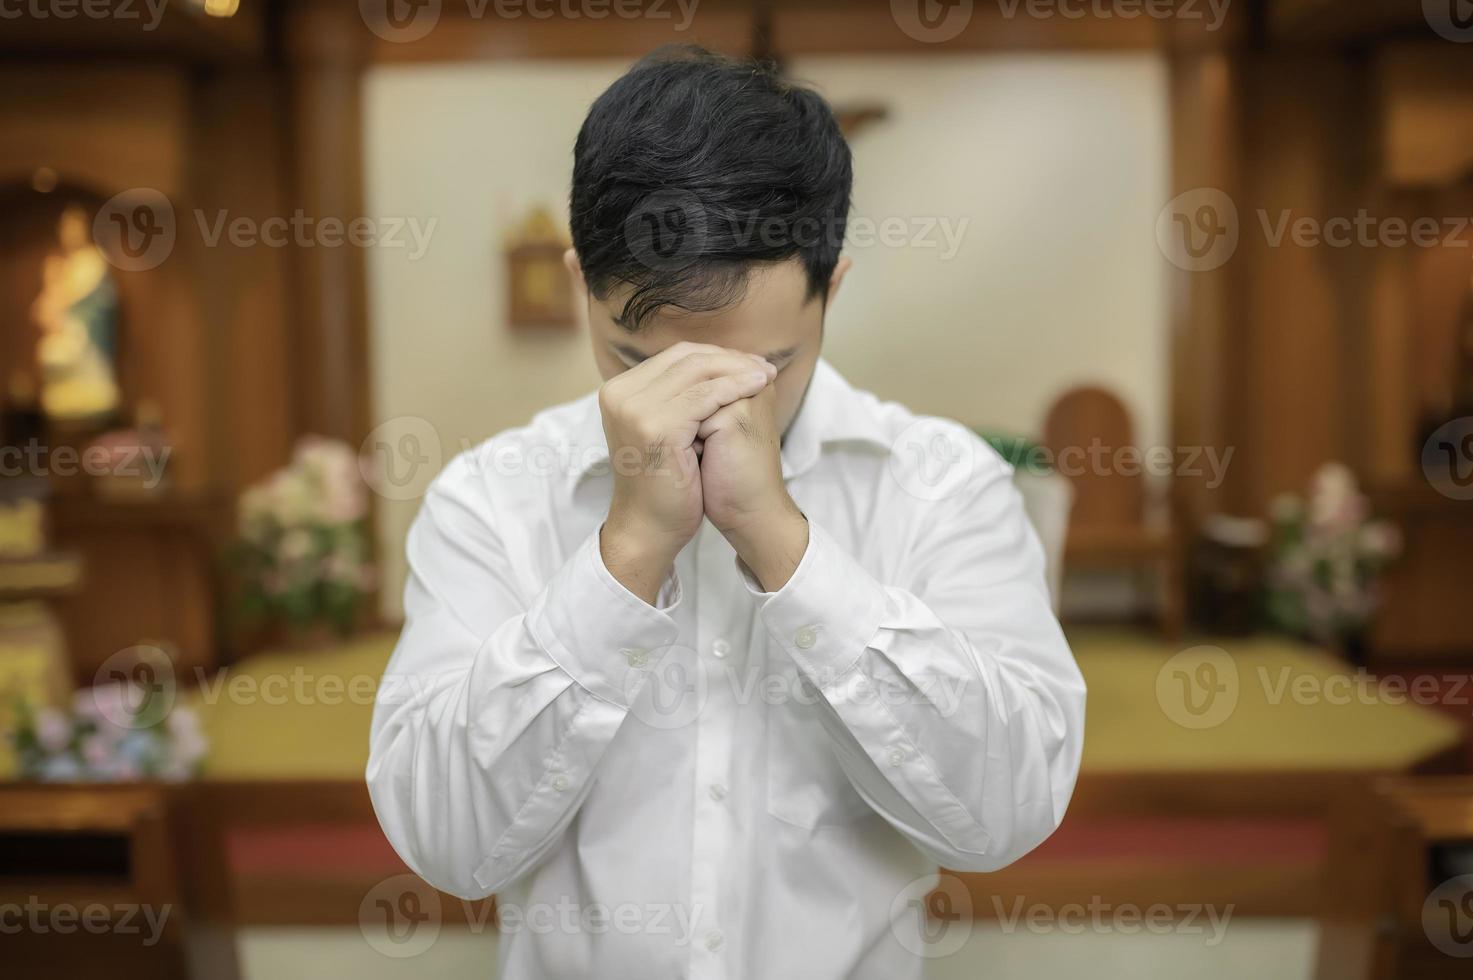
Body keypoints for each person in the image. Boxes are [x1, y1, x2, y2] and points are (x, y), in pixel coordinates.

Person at [368, 45, 1085, 979]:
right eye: (639, 365)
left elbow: (1005, 814)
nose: (702, 413)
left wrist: (785, 547)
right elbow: (445, 844)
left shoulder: (943, 485)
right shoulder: (491, 497)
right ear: (582, 280)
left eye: (762, 370)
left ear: (833, 289)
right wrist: (624, 555)